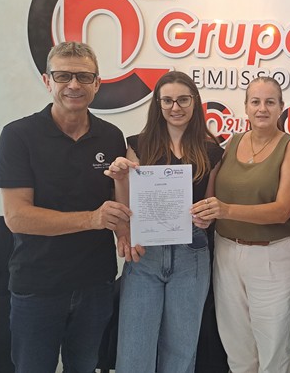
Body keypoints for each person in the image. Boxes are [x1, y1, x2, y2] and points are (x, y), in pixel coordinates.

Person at [0, 41, 130, 373]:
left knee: (85, 367)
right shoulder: (18, 135)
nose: (74, 85)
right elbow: (17, 217)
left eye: (84, 77)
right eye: (63, 75)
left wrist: (127, 231)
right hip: (38, 286)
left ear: (97, 83)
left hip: (95, 284)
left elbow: (118, 203)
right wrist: (93, 219)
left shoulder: (111, 136)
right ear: (47, 81)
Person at [105, 71, 223, 373]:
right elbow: (126, 206)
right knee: (135, 347)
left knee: (181, 349)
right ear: (158, 104)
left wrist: (206, 216)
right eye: (167, 100)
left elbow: (209, 205)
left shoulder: (211, 150)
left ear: (195, 102)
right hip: (146, 254)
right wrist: (120, 178)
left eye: (183, 100)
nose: (175, 107)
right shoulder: (138, 146)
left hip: (191, 255)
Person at [192, 76, 290, 373]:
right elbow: (213, 194)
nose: (262, 108)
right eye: (255, 102)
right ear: (245, 107)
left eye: (270, 102)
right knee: (237, 348)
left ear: (281, 107)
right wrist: (204, 212)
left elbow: (282, 210)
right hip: (227, 253)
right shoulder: (232, 143)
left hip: (275, 256)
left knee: (272, 348)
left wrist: (225, 210)